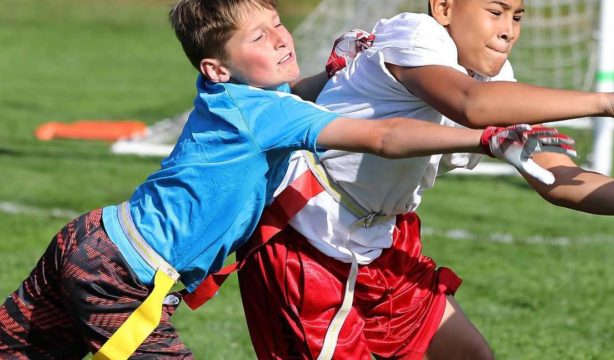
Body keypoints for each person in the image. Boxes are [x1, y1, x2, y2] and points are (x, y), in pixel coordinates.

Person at [0, 0, 574, 358]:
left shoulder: (240, 98)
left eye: (277, 24)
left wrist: (344, 66)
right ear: (217, 67)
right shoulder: (269, 112)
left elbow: (302, 99)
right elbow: (384, 136)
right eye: (259, 36)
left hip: (93, 239)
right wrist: (487, 138)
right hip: (123, 279)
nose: (279, 38)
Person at [225, 0, 614, 359]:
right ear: (445, 7)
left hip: (380, 242)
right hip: (305, 239)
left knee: (469, 353)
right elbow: (470, 106)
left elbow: (557, 179)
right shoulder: (416, 35)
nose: (509, 28)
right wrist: (606, 103)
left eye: (518, 14)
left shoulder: (495, 79)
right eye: (495, 10)